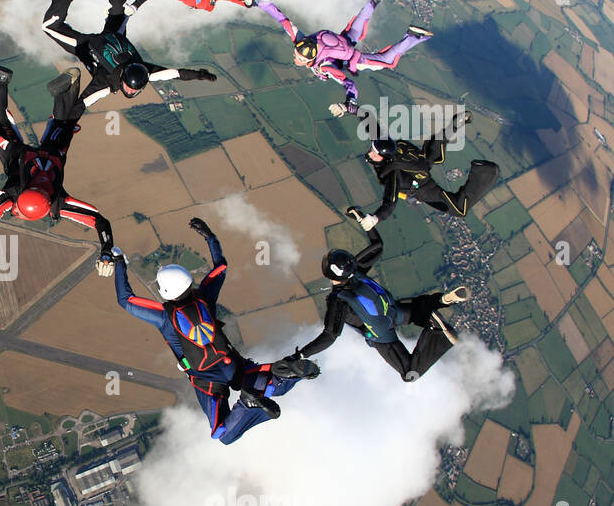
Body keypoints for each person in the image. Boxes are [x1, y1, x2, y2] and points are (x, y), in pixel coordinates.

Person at [111, 219, 319, 444]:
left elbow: (126, 300)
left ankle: (248, 403)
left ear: (166, 292)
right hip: (231, 363)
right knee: (266, 385)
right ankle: (282, 375)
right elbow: (221, 267)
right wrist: (209, 236)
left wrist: (119, 261)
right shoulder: (204, 296)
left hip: (205, 378)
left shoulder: (164, 316)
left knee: (223, 434)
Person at [0, 62, 116, 278]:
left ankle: (68, 90)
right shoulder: (12, 194)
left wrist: (107, 252)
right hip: (18, 156)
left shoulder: (58, 203)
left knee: (65, 123)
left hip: (52, 153)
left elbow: (100, 222)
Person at [292, 225, 469, 381]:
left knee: (410, 373)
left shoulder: (338, 300)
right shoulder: (357, 270)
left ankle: (437, 332)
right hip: (394, 312)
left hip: (382, 335)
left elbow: (329, 335)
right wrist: (367, 224)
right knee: (419, 308)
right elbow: (378, 247)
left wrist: (301, 354)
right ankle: (442, 300)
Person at [42, 0, 217, 107]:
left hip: (113, 35)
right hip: (86, 45)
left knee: (119, 11)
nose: (131, 91)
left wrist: (199, 75)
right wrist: (66, 122)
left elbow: (176, 73)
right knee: (50, 27)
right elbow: (83, 104)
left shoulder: (144, 71)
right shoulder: (108, 83)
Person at [257, 0, 431, 116]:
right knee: (355, 29)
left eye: (300, 59)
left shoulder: (325, 67)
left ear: (310, 60)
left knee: (387, 61)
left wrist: (348, 103)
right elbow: (283, 19)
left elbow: (349, 84)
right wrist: (258, 2)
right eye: (296, 54)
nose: (295, 58)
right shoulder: (302, 40)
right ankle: (373, 1)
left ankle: (413, 36)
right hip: (341, 43)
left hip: (351, 59)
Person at [347, 109, 499, 229]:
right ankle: (453, 127)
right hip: (419, 165)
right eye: (372, 149)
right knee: (431, 155)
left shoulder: (391, 174)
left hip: (423, 187)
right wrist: (349, 108)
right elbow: (368, 119)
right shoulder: (383, 143)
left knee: (459, 209)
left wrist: (375, 218)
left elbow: (390, 203)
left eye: (375, 153)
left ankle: (486, 171)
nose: (370, 153)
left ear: (385, 158)